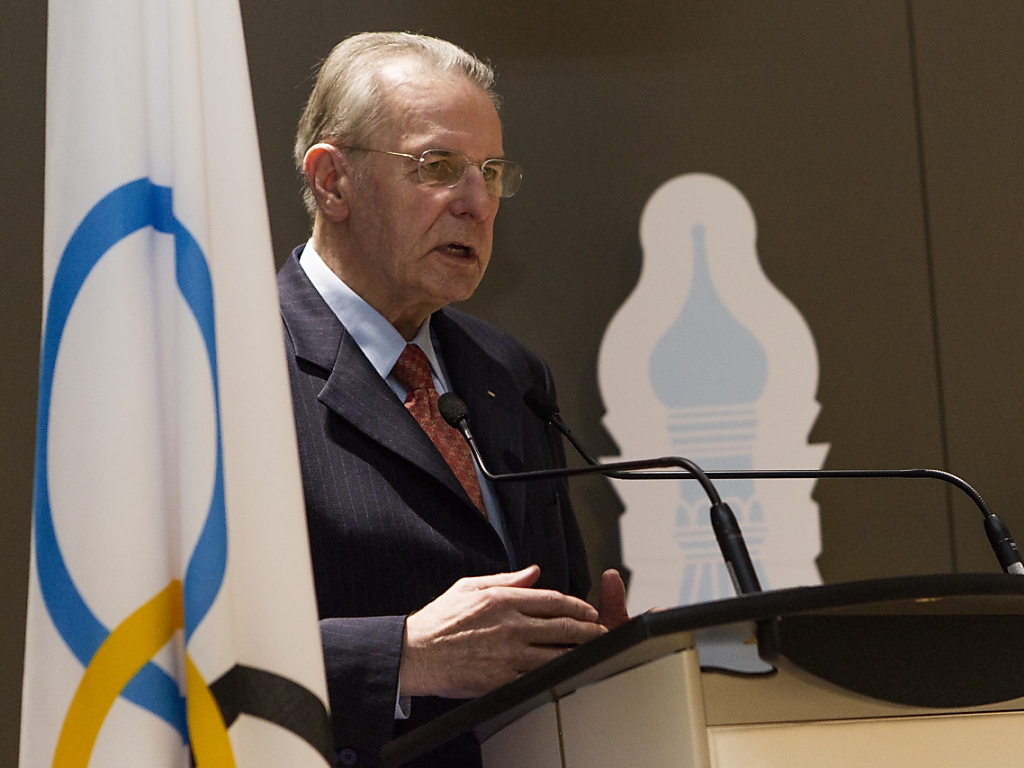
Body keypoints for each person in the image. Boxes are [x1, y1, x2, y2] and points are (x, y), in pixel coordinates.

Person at [278, 31, 628, 767]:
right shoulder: (234, 369)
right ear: (331, 180)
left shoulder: (509, 372)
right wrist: (404, 656)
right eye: (437, 167)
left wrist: (598, 655)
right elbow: (170, 655)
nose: (476, 203)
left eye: (492, 172)